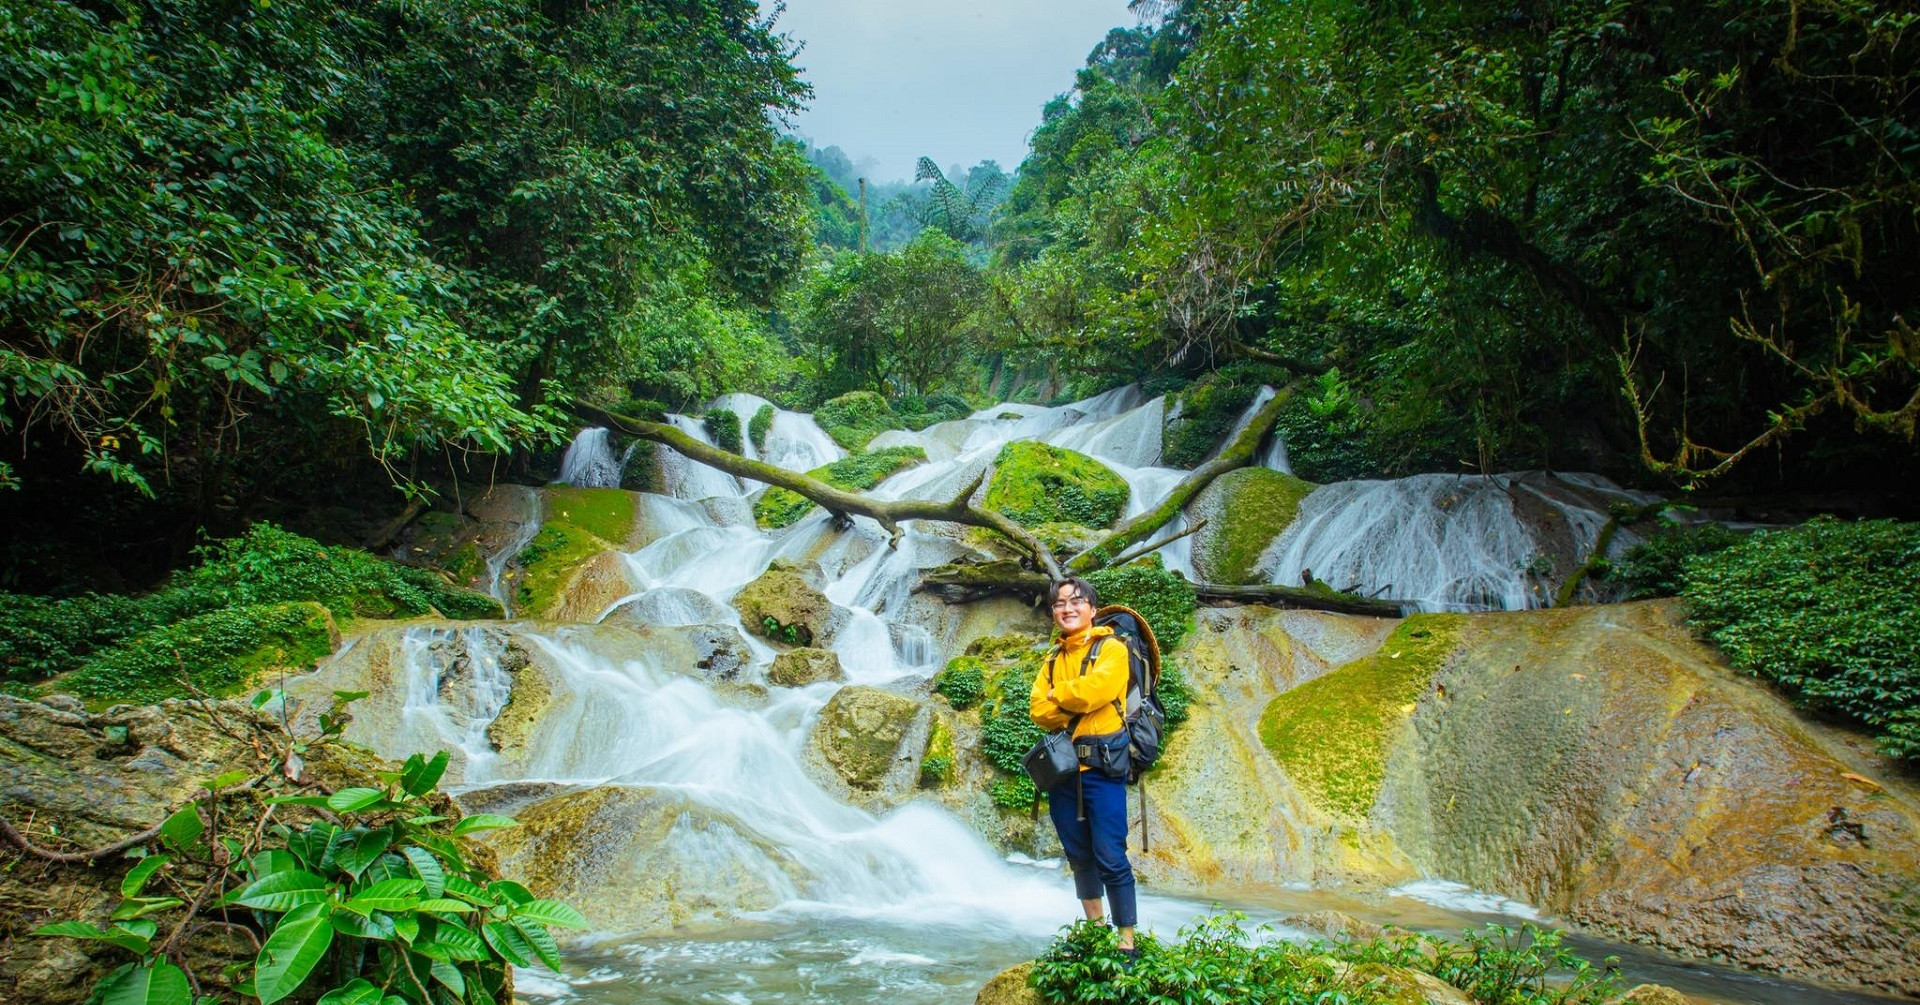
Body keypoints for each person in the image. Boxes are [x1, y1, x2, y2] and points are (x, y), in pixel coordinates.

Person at [1029, 577, 1137, 960]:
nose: (1067, 609)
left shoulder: (1113, 649)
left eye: (1076, 602)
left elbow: (1100, 691)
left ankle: (1126, 941)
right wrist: (1069, 696)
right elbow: (1037, 710)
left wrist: (1059, 694)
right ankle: (1095, 931)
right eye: (1059, 604)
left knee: (1111, 854)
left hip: (1103, 770)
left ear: (1092, 608)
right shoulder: (1053, 659)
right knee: (1078, 855)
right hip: (1063, 774)